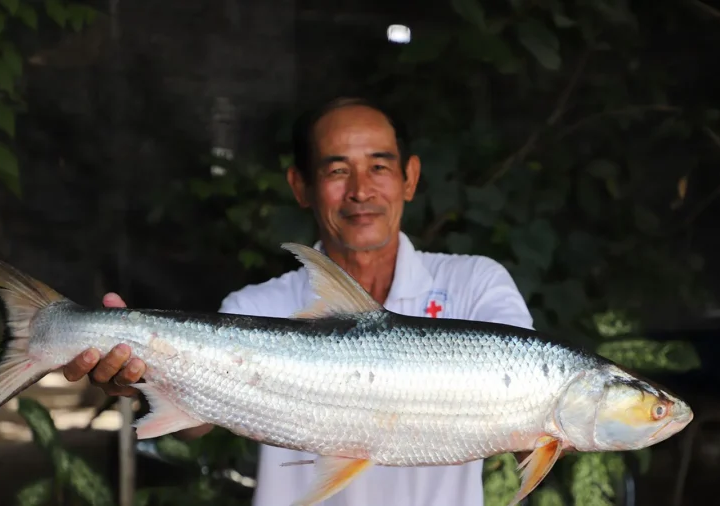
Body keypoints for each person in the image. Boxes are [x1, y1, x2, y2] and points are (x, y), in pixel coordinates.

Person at [61, 97, 535, 506]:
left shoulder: (477, 284)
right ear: (300, 186)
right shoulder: (258, 303)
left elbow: (537, 413)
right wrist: (143, 378)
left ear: (409, 177)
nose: (360, 190)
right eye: (336, 170)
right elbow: (196, 423)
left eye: (379, 166)